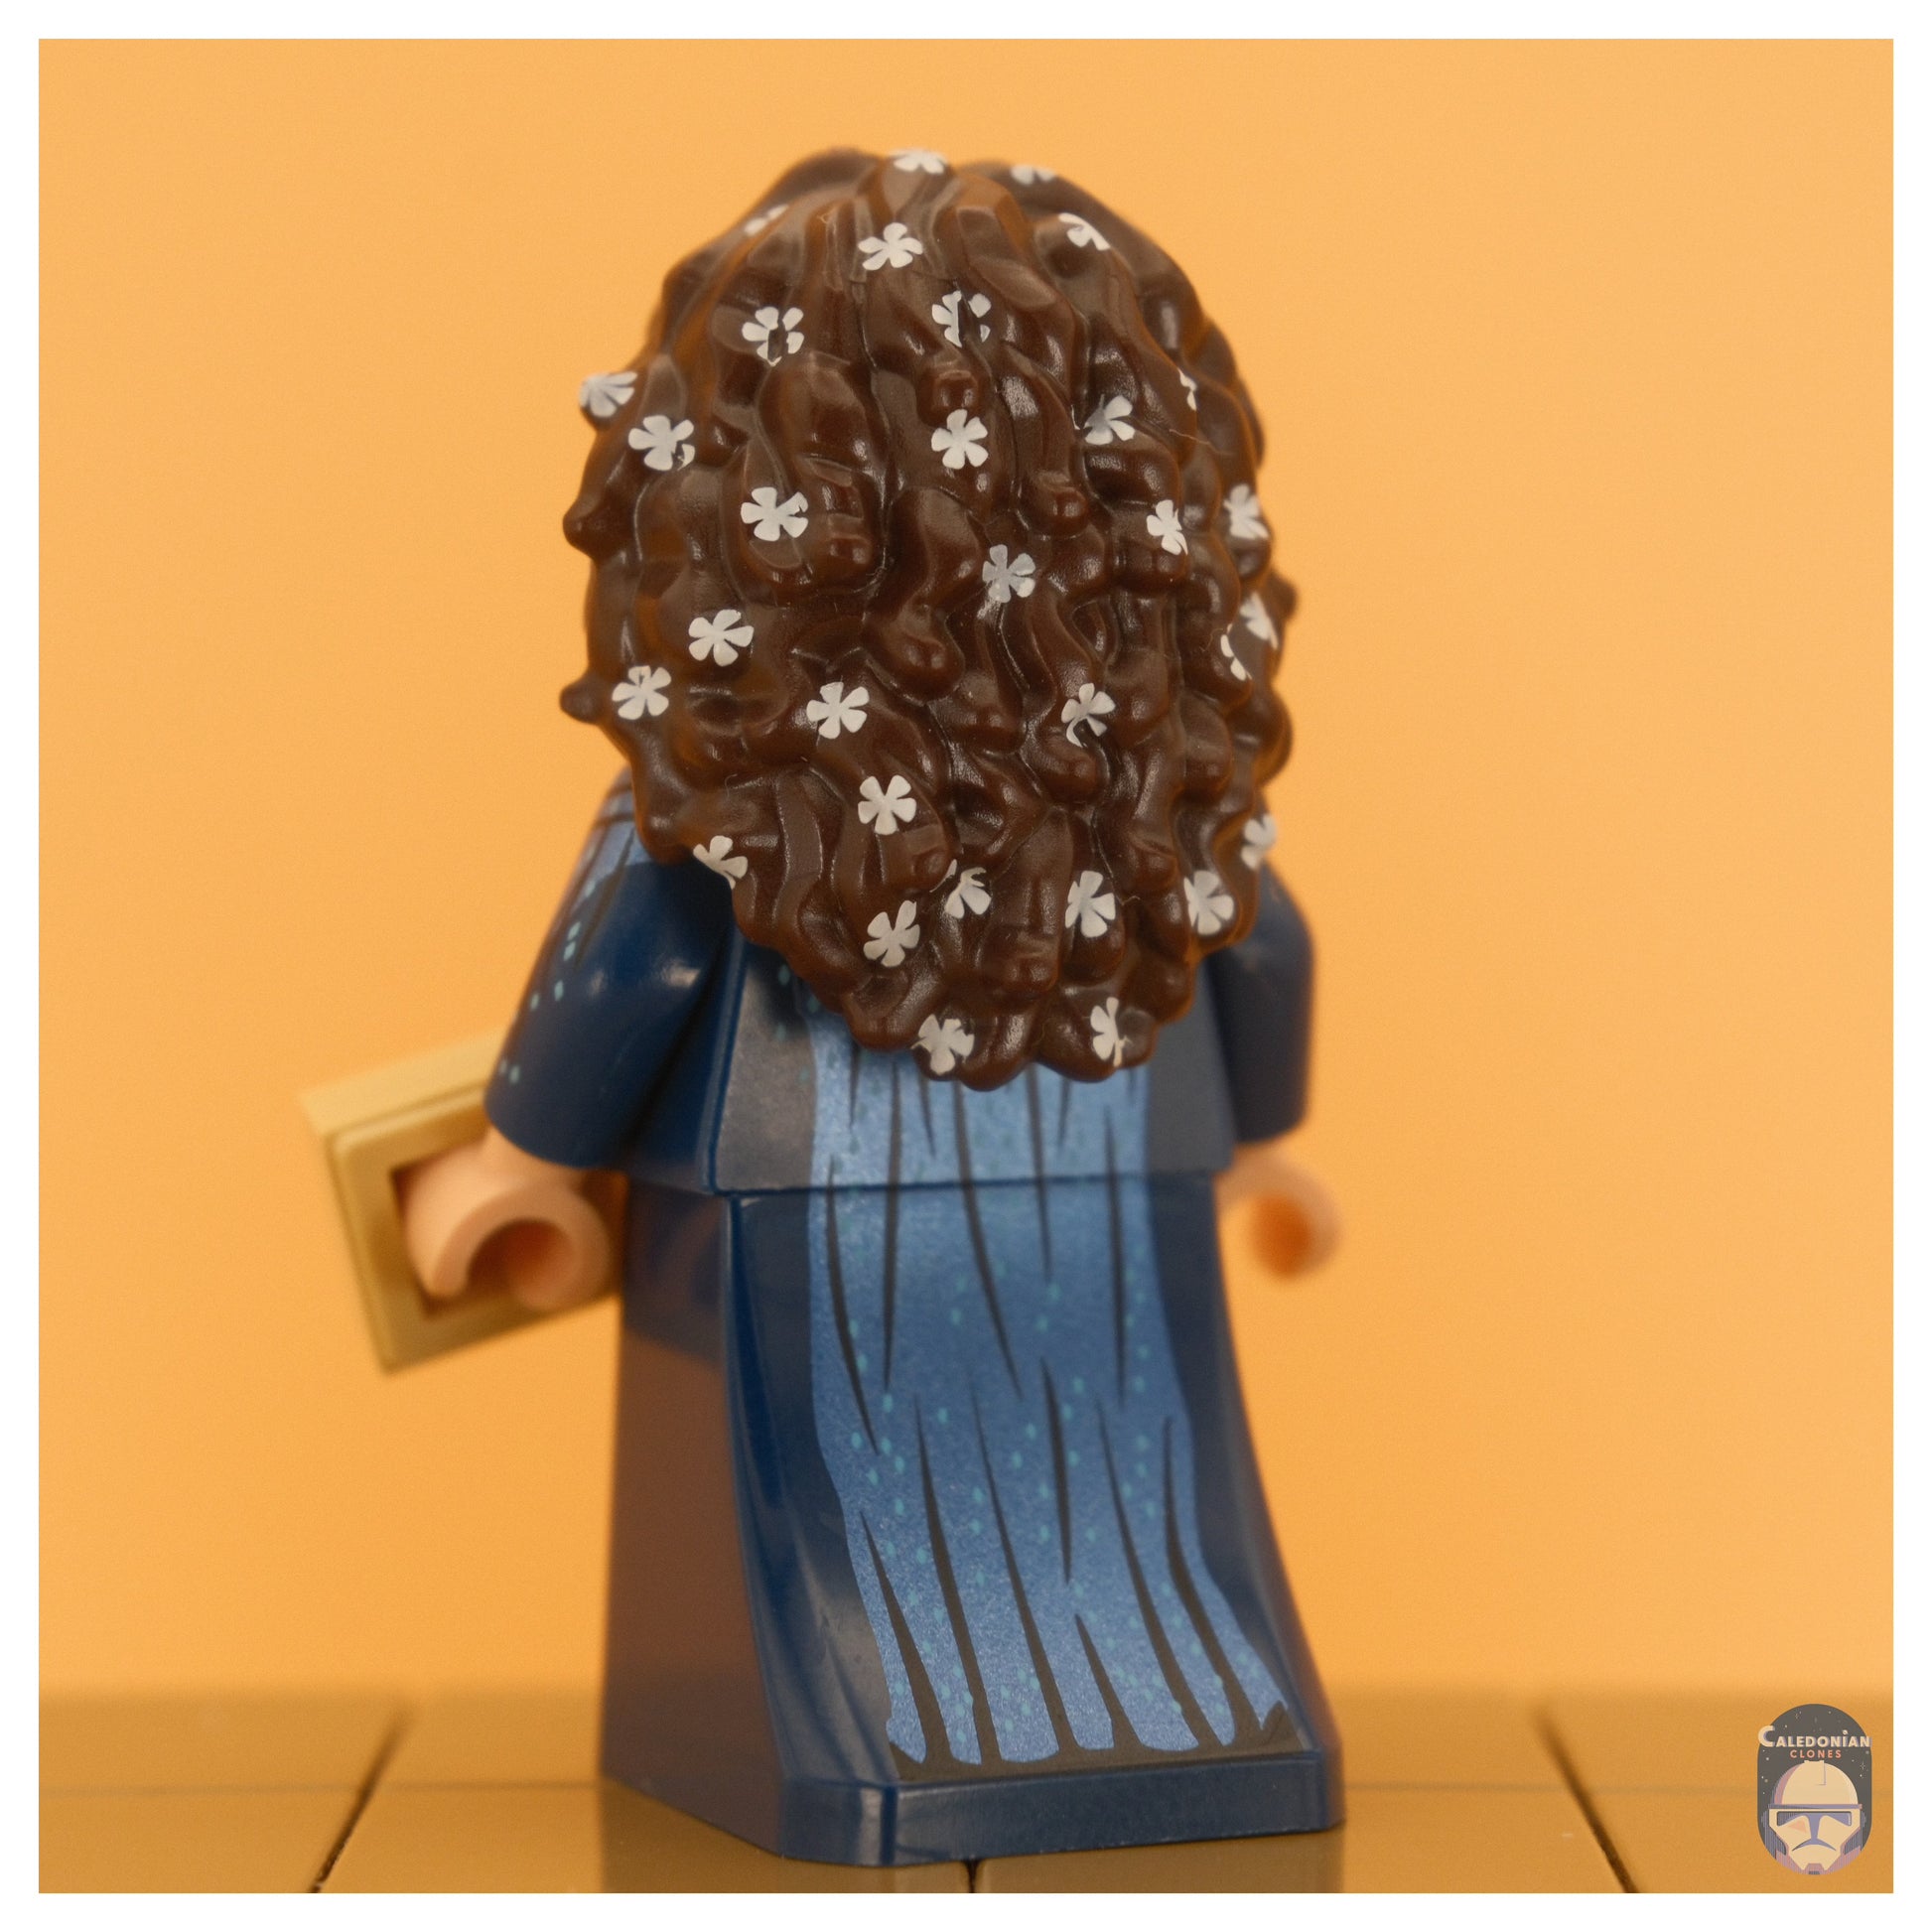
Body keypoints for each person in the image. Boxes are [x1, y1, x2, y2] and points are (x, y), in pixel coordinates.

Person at [401, 148, 1341, 1866]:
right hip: (1116, 1201)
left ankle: (917, 1740)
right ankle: (1174, 1720)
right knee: (1150, 1522)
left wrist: (517, 1158)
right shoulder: (1155, 820)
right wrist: (1264, 1141)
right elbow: (1263, 946)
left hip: (798, 1223)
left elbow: (637, 961)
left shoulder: (728, 812)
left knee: (829, 1552)